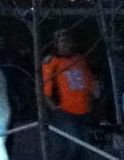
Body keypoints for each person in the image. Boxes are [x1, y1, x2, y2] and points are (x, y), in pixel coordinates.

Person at [42, 31, 96, 160]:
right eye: (62, 41)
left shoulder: (79, 59)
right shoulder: (51, 61)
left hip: (83, 110)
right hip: (64, 111)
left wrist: (90, 102)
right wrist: (54, 107)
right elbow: (46, 86)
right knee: (72, 146)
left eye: (68, 40)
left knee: (85, 147)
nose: (65, 44)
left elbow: (88, 82)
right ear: (56, 44)